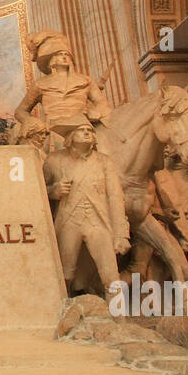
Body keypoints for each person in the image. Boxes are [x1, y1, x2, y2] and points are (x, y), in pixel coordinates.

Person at [43, 118, 130, 298]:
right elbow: (38, 192)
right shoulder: (54, 160)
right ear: (70, 136)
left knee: (111, 276)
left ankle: (118, 321)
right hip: (68, 221)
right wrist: (54, 191)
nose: (86, 133)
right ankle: (62, 316)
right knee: (63, 275)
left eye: (89, 130)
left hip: (97, 221)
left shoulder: (104, 162)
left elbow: (115, 197)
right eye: (81, 130)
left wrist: (121, 233)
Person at [15, 31, 111, 143]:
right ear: (51, 59)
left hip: (82, 125)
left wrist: (97, 112)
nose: (64, 57)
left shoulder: (85, 80)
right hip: (53, 129)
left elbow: (101, 102)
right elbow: (20, 111)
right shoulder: (40, 84)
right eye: (59, 55)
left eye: (66, 54)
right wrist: (32, 121)